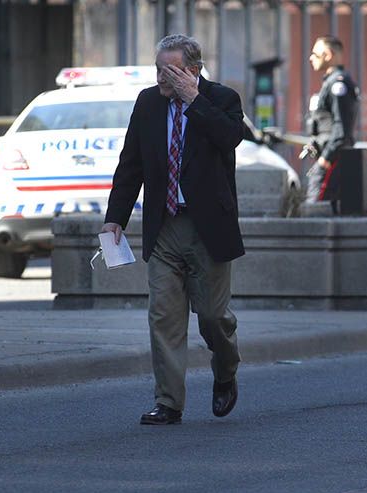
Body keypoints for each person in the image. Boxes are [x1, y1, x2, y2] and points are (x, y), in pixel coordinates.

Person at [101, 34, 245, 425]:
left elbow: (231, 137)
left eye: (170, 71)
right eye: (158, 69)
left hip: (208, 227)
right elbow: (130, 164)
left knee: (214, 318)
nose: (161, 78)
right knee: (162, 315)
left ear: (193, 70)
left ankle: (226, 372)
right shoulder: (149, 102)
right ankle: (168, 401)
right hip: (164, 226)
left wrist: (193, 99)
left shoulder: (221, 99)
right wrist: (115, 217)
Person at [304, 35, 360, 212]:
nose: (311, 58)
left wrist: (324, 160)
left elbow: (341, 129)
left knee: (316, 211)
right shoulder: (329, 83)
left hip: (333, 160)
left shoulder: (338, 84)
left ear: (327, 55)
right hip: (330, 158)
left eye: (315, 53)